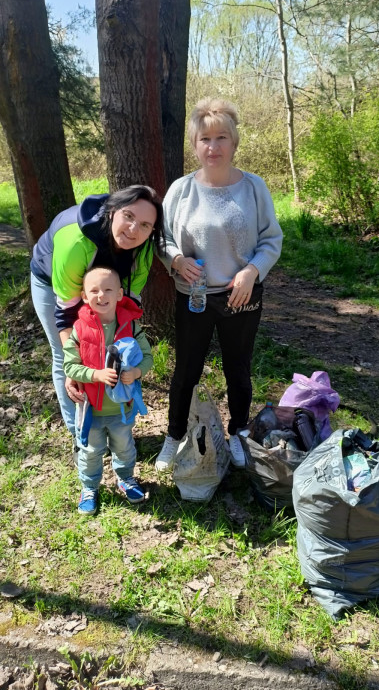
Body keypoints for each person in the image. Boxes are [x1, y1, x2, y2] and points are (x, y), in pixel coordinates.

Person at [156, 98, 283, 471]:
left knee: (238, 369)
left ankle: (239, 432)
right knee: (186, 371)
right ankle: (173, 435)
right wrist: (176, 259)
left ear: (234, 142)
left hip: (240, 296)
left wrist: (252, 271)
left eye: (221, 137)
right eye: (205, 139)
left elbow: (271, 240)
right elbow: (162, 237)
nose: (213, 147)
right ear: (194, 145)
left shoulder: (255, 188)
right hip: (193, 297)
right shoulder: (180, 190)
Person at [30, 184, 164, 438]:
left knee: (103, 348)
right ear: (113, 211)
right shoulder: (76, 242)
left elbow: (128, 305)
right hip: (54, 281)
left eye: (146, 225)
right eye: (129, 216)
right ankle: (80, 433)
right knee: (65, 354)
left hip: (107, 284)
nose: (134, 229)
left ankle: (112, 417)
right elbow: (66, 314)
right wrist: (75, 367)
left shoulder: (144, 248)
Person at [63, 266, 153, 515]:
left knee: (124, 447)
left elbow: (147, 357)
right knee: (91, 451)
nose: (101, 295)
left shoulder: (131, 326)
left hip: (122, 409)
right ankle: (90, 487)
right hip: (91, 408)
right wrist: (95, 375)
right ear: (83, 296)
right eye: (94, 290)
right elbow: (69, 366)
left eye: (107, 289)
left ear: (120, 294)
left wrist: (136, 372)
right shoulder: (80, 330)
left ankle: (126, 479)